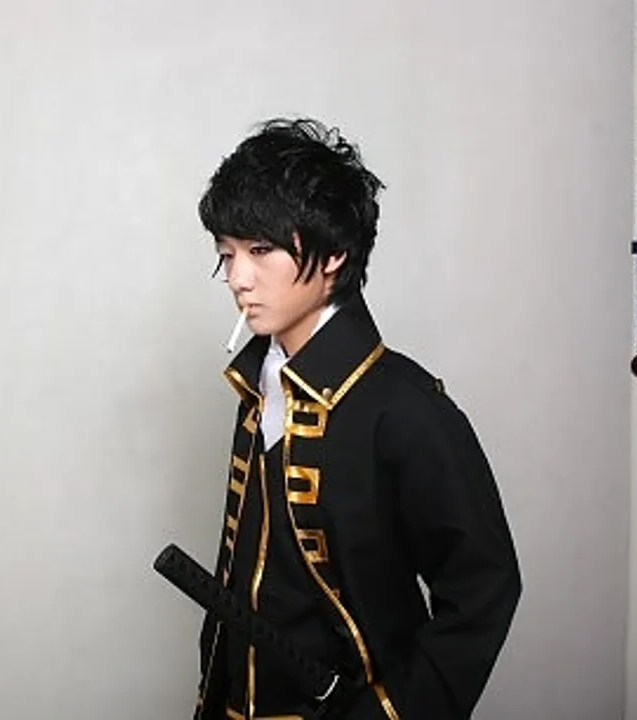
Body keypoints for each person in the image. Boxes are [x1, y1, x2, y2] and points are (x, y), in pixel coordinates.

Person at [192, 117, 521, 719]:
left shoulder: (405, 407)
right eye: (227, 254)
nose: (238, 278)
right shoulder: (257, 388)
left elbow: (484, 586)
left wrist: (390, 712)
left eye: (260, 251)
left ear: (334, 254)